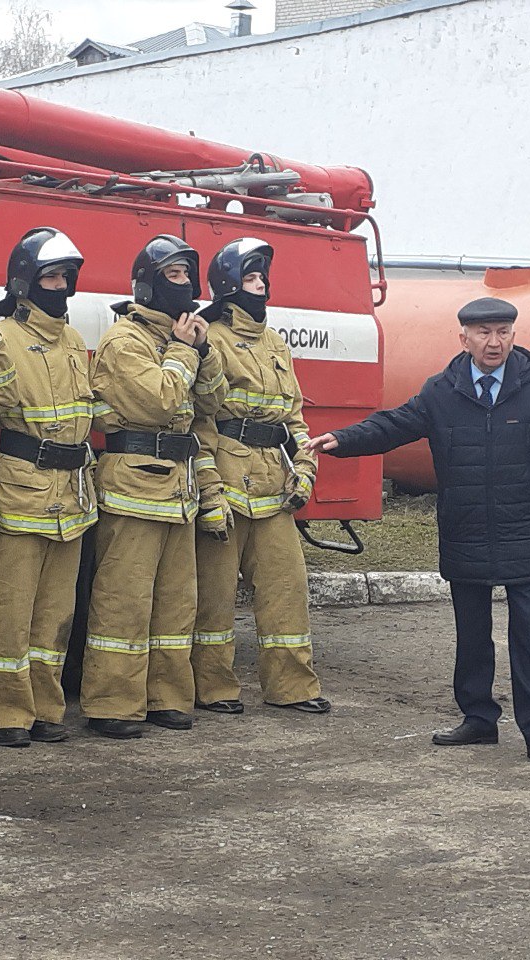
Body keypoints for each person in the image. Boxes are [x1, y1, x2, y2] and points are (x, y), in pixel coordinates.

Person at [305, 296, 530, 760]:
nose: (493, 342)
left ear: (514, 336)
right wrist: (345, 439)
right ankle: (478, 719)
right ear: (464, 338)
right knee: (472, 631)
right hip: (466, 528)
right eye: (483, 333)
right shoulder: (443, 390)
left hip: (526, 529)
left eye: (502, 332)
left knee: (529, 632)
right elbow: (396, 423)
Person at [80, 235, 227, 739]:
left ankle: (166, 697)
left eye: (189, 276)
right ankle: (113, 704)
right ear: (148, 283)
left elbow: (210, 404)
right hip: (134, 488)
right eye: (175, 276)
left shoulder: (184, 339)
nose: (186, 286)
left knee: (174, 605)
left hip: (179, 491)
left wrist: (202, 352)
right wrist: (186, 352)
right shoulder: (126, 341)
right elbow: (161, 402)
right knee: (124, 602)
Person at [191, 238, 330, 716]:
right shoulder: (207, 338)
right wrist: (209, 492)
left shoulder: (275, 344)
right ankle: (213, 688)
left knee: (287, 591)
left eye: (264, 278)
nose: (262, 286)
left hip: (274, 487)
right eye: (252, 278)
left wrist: (307, 470)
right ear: (229, 284)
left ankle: (293, 686)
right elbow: (199, 422)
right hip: (226, 483)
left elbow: (294, 419)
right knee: (213, 600)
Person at [0, 227, 97, 748]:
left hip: (71, 494)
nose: (60, 286)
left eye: (66, 277)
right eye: (50, 276)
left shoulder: (71, 340)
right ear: (24, 281)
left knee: (54, 615)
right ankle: (1, 713)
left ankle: (45, 709)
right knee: (7, 610)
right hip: (20, 490)